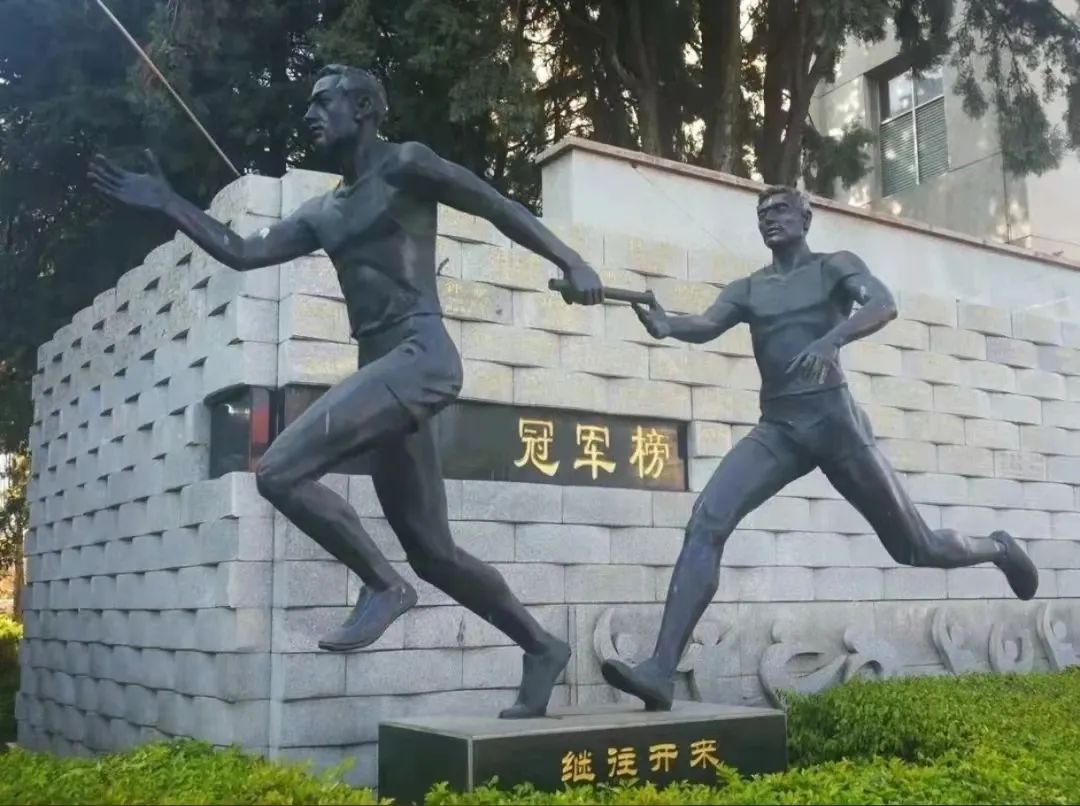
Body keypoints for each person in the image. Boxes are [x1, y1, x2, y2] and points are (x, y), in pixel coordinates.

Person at [89, 64, 605, 719]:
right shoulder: (323, 212)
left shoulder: (407, 165)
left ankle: (383, 585)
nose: (309, 115)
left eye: (322, 102)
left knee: (278, 470)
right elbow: (243, 251)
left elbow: (496, 205)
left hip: (421, 357)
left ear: (363, 108)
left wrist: (572, 261)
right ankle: (541, 646)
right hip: (384, 368)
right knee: (435, 555)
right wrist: (168, 202)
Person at [603, 185, 1039, 711]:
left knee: (915, 547)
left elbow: (883, 303)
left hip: (837, 426)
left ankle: (998, 548)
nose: (769, 218)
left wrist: (832, 340)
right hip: (779, 429)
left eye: (780, 209)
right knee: (705, 523)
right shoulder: (750, 288)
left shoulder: (835, 267)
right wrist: (667, 324)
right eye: (762, 213)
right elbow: (706, 324)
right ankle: (660, 671)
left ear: (806, 218)